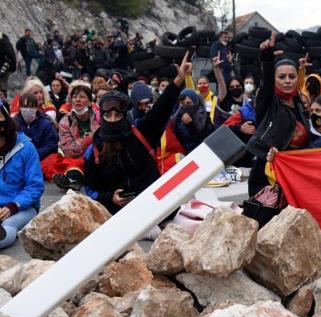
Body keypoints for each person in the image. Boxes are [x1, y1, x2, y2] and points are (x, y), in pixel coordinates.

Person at [83, 52, 192, 214]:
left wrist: (177, 81)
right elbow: (91, 189)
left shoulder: (141, 134)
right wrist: (109, 198)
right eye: (108, 115)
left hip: (154, 209)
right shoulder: (94, 150)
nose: (113, 119)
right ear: (102, 116)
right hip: (117, 214)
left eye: (118, 114)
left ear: (124, 115)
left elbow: (160, 109)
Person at [246, 33, 310, 197]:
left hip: (295, 174)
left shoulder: (300, 103)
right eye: (281, 77)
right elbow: (266, 82)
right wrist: (267, 59)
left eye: (292, 76)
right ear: (274, 80)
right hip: (267, 176)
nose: (287, 80)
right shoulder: (267, 100)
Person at [0, 102, 44, 249]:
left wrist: (13, 205)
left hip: (22, 207)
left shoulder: (26, 148)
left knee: (9, 225)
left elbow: (35, 187)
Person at [48, 84, 100, 190]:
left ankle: (73, 179)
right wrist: (89, 138)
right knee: (53, 160)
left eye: (82, 97)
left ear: (90, 102)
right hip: (74, 160)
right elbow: (69, 151)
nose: (77, 100)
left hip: (97, 157)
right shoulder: (65, 121)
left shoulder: (99, 118)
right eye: (75, 97)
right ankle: (73, 181)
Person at [13, 93, 58, 161]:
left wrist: (33, 154)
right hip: (18, 160)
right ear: (20, 108)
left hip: (41, 160)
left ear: (37, 108)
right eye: (25, 106)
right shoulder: (13, 123)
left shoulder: (46, 123)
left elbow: (51, 145)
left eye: (31, 107)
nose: (28, 109)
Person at [172, 88, 215, 154]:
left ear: (195, 102)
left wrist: (190, 124)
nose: (185, 106)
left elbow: (204, 137)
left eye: (188, 103)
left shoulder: (204, 115)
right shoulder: (178, 116)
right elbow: (176, 139)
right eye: (182, 103)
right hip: (186, 154)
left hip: (204, 152)